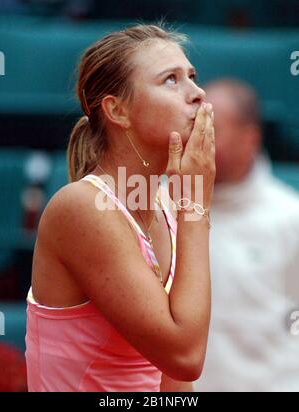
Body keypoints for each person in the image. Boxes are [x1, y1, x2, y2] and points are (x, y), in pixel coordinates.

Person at [25, 24, 216, 392]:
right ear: (118, 110)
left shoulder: (165, 204)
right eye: (171, 80)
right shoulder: (81, 207)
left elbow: (175, 386)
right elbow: (186, 356)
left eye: (192, 76)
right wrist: (194, 205)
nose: (198, 93)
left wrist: (188, 206)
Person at [194, 79, 299, 392]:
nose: (199, 140)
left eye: (214, 130)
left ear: (250, 138)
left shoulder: (290, 217)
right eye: (196, 127)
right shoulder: (161, 210)